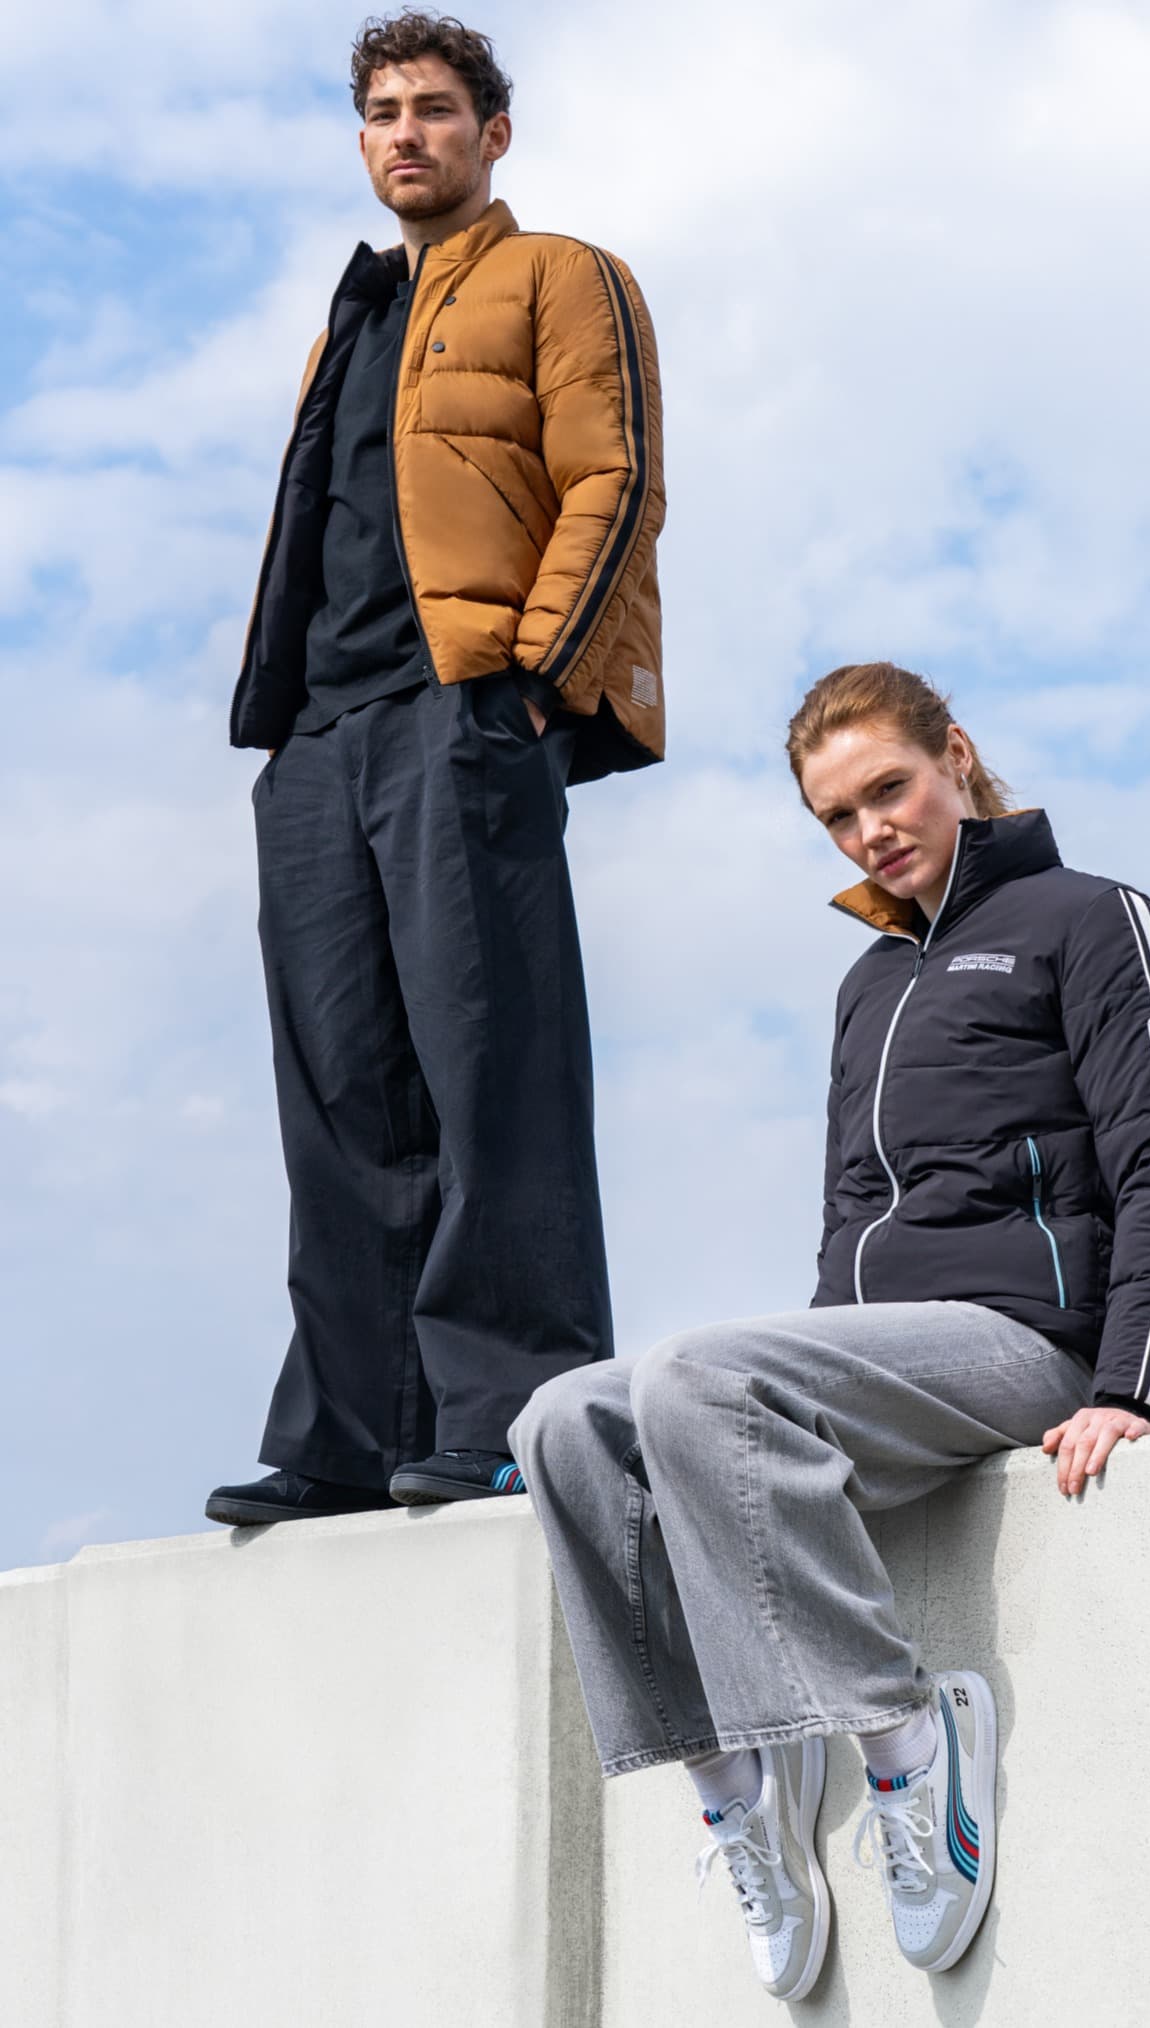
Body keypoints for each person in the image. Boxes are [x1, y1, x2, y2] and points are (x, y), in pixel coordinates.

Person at [509, 661, 1150, 1997]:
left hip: (1027, 1342)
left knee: (695, 1374)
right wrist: (787, 1409)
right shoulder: (868, 984)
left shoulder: (1090, 918)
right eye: (835, 816)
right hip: (898, 1359)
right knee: (563, 1423)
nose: (869, 831)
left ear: (956, 755)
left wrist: (1135, 1386)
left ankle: (906, 1748)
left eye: (887, 789)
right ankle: (739, 1784)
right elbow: (849, 1219)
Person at [207, 13, 664, 1527]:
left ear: (492, 134)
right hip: (320, 740)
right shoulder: (348, 319)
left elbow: (614, 478)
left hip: (462, 708)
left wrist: (534, 684)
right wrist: (285, 726)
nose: (408, 132)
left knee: (492, 1068)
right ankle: (351, 1434)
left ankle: (512, 1414)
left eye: (436, 109)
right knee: (340, 1092)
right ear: (363, 143)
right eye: (384, 113)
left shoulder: (561, 276)